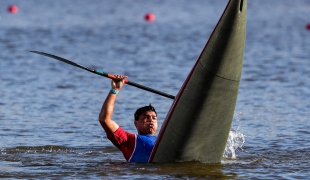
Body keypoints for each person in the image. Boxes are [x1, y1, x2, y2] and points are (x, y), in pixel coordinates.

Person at [99, 75, 158, 162]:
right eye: (146, 117)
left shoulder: (163, 139)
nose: (151, 120)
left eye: (154, 118)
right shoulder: (128, 140)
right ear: (136, 123)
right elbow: (104, 119)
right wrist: (115, 90)